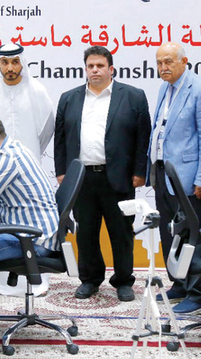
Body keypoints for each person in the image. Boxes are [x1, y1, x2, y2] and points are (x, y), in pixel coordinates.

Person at [54, 46, 151, 302]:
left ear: (111, 69)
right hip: (82, 178)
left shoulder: (133, 96)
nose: (94, 70)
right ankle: (90, 279)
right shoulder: (69, 98)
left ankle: (123, 281)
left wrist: (140, 171)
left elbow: (143, 137)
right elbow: (60, 138)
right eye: (90, 66)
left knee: (121, 231)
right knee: (86, 231)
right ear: (85, 69)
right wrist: (62, 172)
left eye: (100, 66)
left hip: (119, 176)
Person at [148, 42, 201, 314]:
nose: (163, 67)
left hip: (189, 178)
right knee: (171, 233)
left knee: (191, 234)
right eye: (159, 63)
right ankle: (179, 283)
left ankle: (197, 292)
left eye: (168, 61)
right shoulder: (164, 88)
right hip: (163, 173)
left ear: (184, 61)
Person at [0, 113, 59, 262]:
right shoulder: (14, 149)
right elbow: (1, 186)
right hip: (33, 235)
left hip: (33, 241)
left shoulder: (7, 158)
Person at [0, 43, 54, 162]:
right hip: (0, 163)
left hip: (30, 163)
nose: (10, 68)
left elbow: (47, 129)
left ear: (22, 63)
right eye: (5, 62)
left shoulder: (37, 90)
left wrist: (33, 148)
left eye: (15, 62)